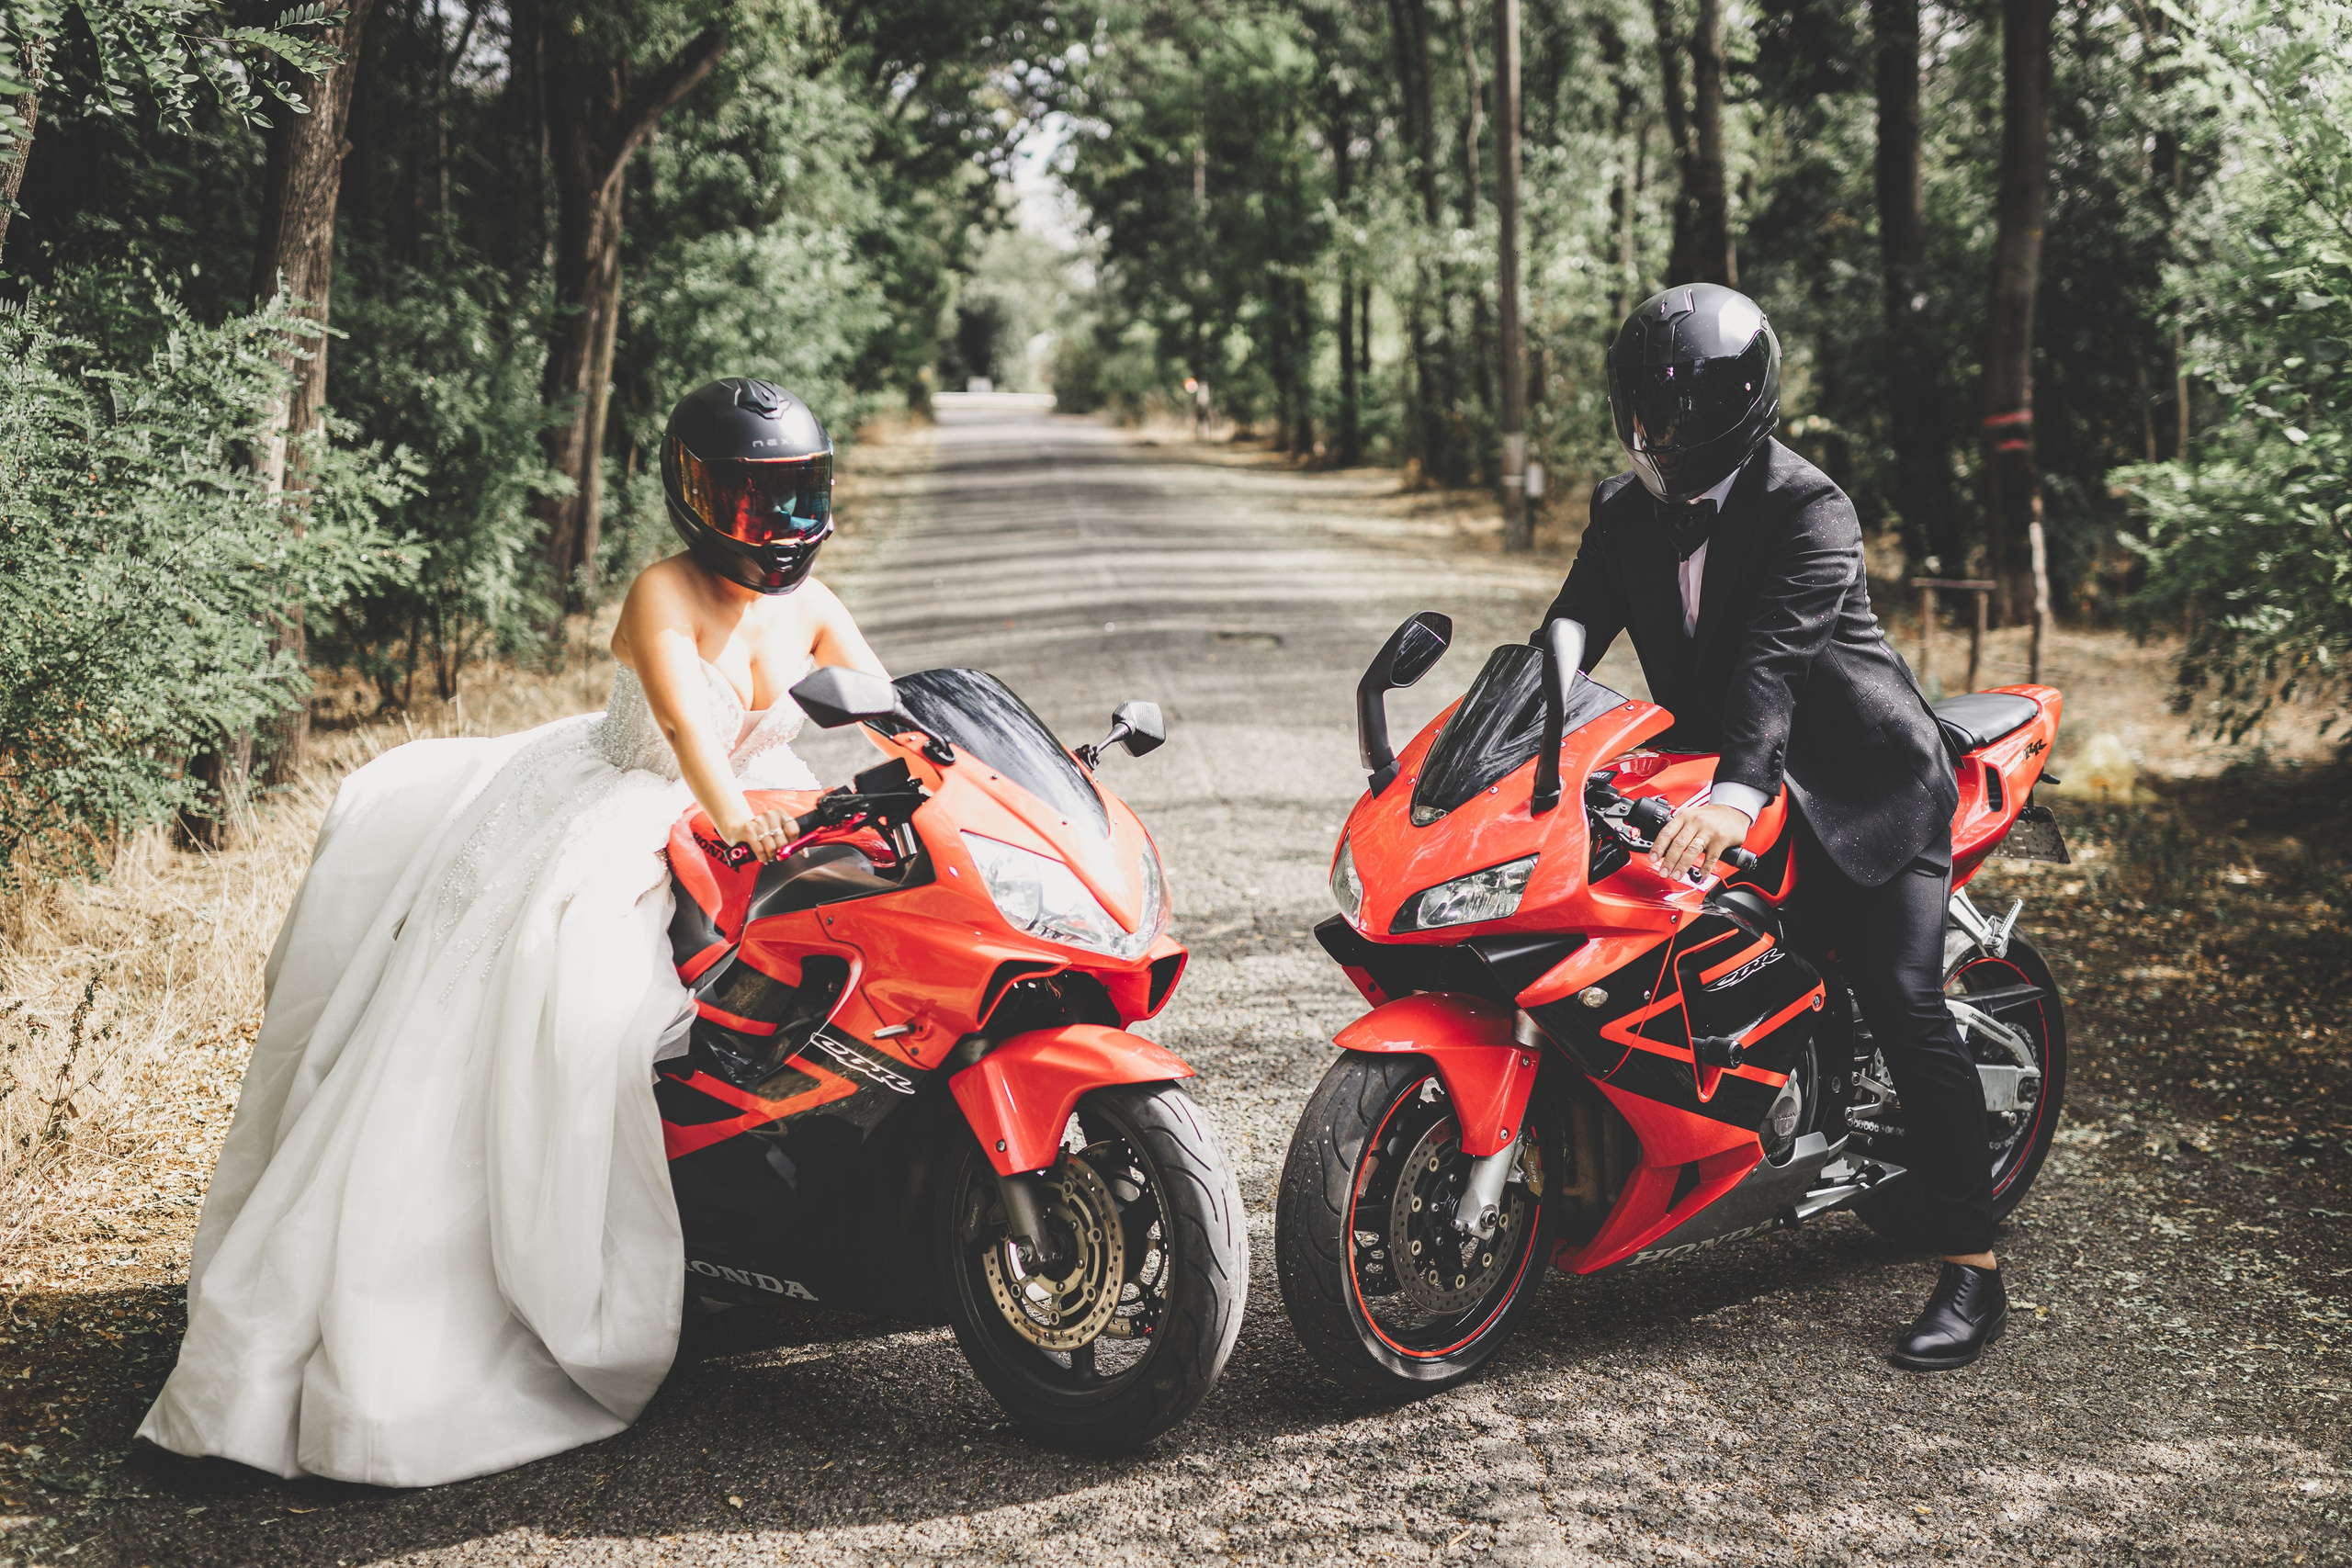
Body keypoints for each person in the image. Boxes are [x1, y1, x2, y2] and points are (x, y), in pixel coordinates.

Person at [138, 378, 888, 1485]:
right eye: (745, 499)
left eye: (789, 497)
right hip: (635, 809)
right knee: (575, 1007)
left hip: (764, 804)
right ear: (694, 496)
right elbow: (685, 731)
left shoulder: (811, 599)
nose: (772, 526)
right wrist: (740, 833)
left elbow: (883, 703)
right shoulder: (661, 593)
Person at [1539, 284, 2005, 1371]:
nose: (1654, 439)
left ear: (1741, 413)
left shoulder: (1809, 506)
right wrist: (1531, 714)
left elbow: (1770, 666)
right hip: (1718, 771)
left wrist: (1736, 795)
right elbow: (1570, 619)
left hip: (1859, 783)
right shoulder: (1621, 508)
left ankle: (1974, 1271)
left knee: (1900, 998)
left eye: (1676, 421)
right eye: (1640, 417)